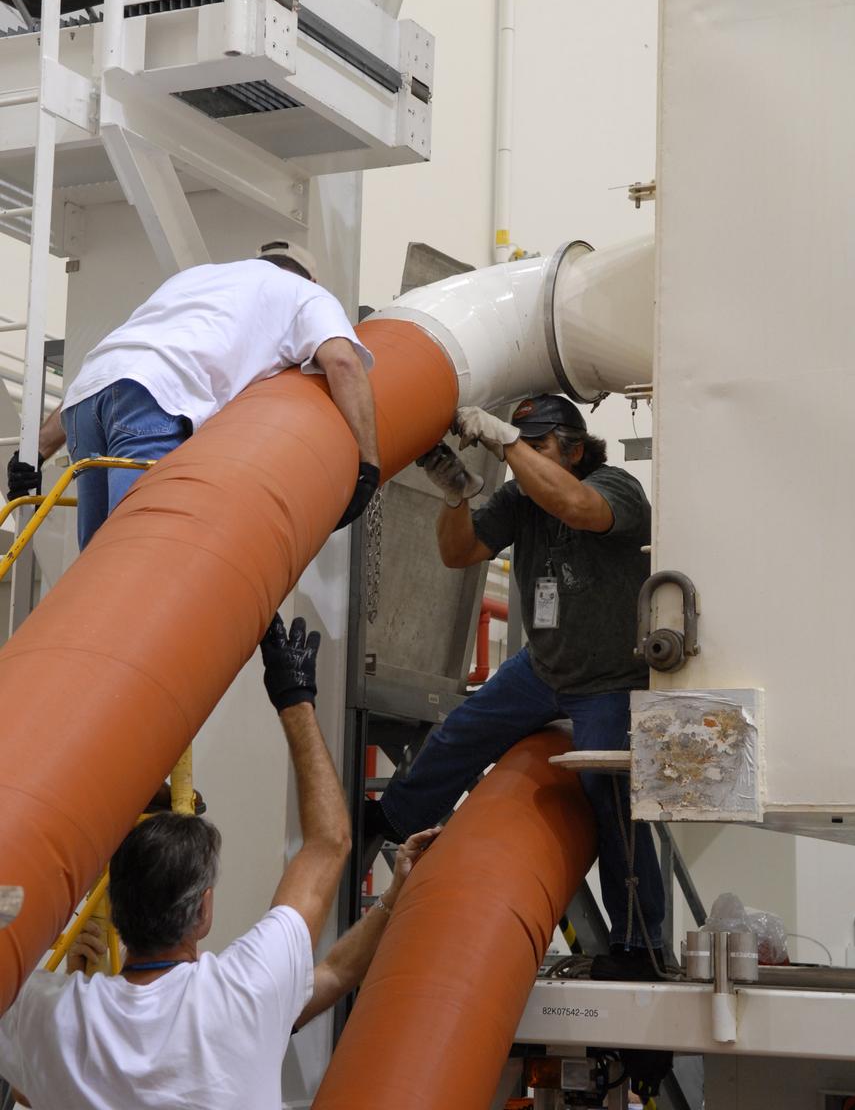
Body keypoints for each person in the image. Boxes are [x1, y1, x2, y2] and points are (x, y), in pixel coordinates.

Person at [0, 614, 438, 1110]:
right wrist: (294, 696)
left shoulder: (50, 1017)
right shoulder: (245, 993)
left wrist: (73, 972)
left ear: (117, 909)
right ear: (204, 911)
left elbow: (26, 1089)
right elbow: (329, 847)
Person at [366, 393, 666, 981]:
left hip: (609, 680)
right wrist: (454, 495)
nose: (524, 457)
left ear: (575, 450)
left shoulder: (615, 488)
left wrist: (505, 443)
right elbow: (458, 552)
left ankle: (640, 942)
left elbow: (576, 506)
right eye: (521, 446)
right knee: (461, 733)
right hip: (544, 669)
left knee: (612, 797)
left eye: (538, 446)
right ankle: (394, 819)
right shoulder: (521, 498)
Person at [5, 240, 379, 548]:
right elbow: (343, 363)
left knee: (99, 559)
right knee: (135, 550)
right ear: (311, 278)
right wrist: (368, 467)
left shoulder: (195, 279)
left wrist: (35, 453)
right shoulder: (306, 294)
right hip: (153, 401)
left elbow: (117, 366)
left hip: (85, 401)